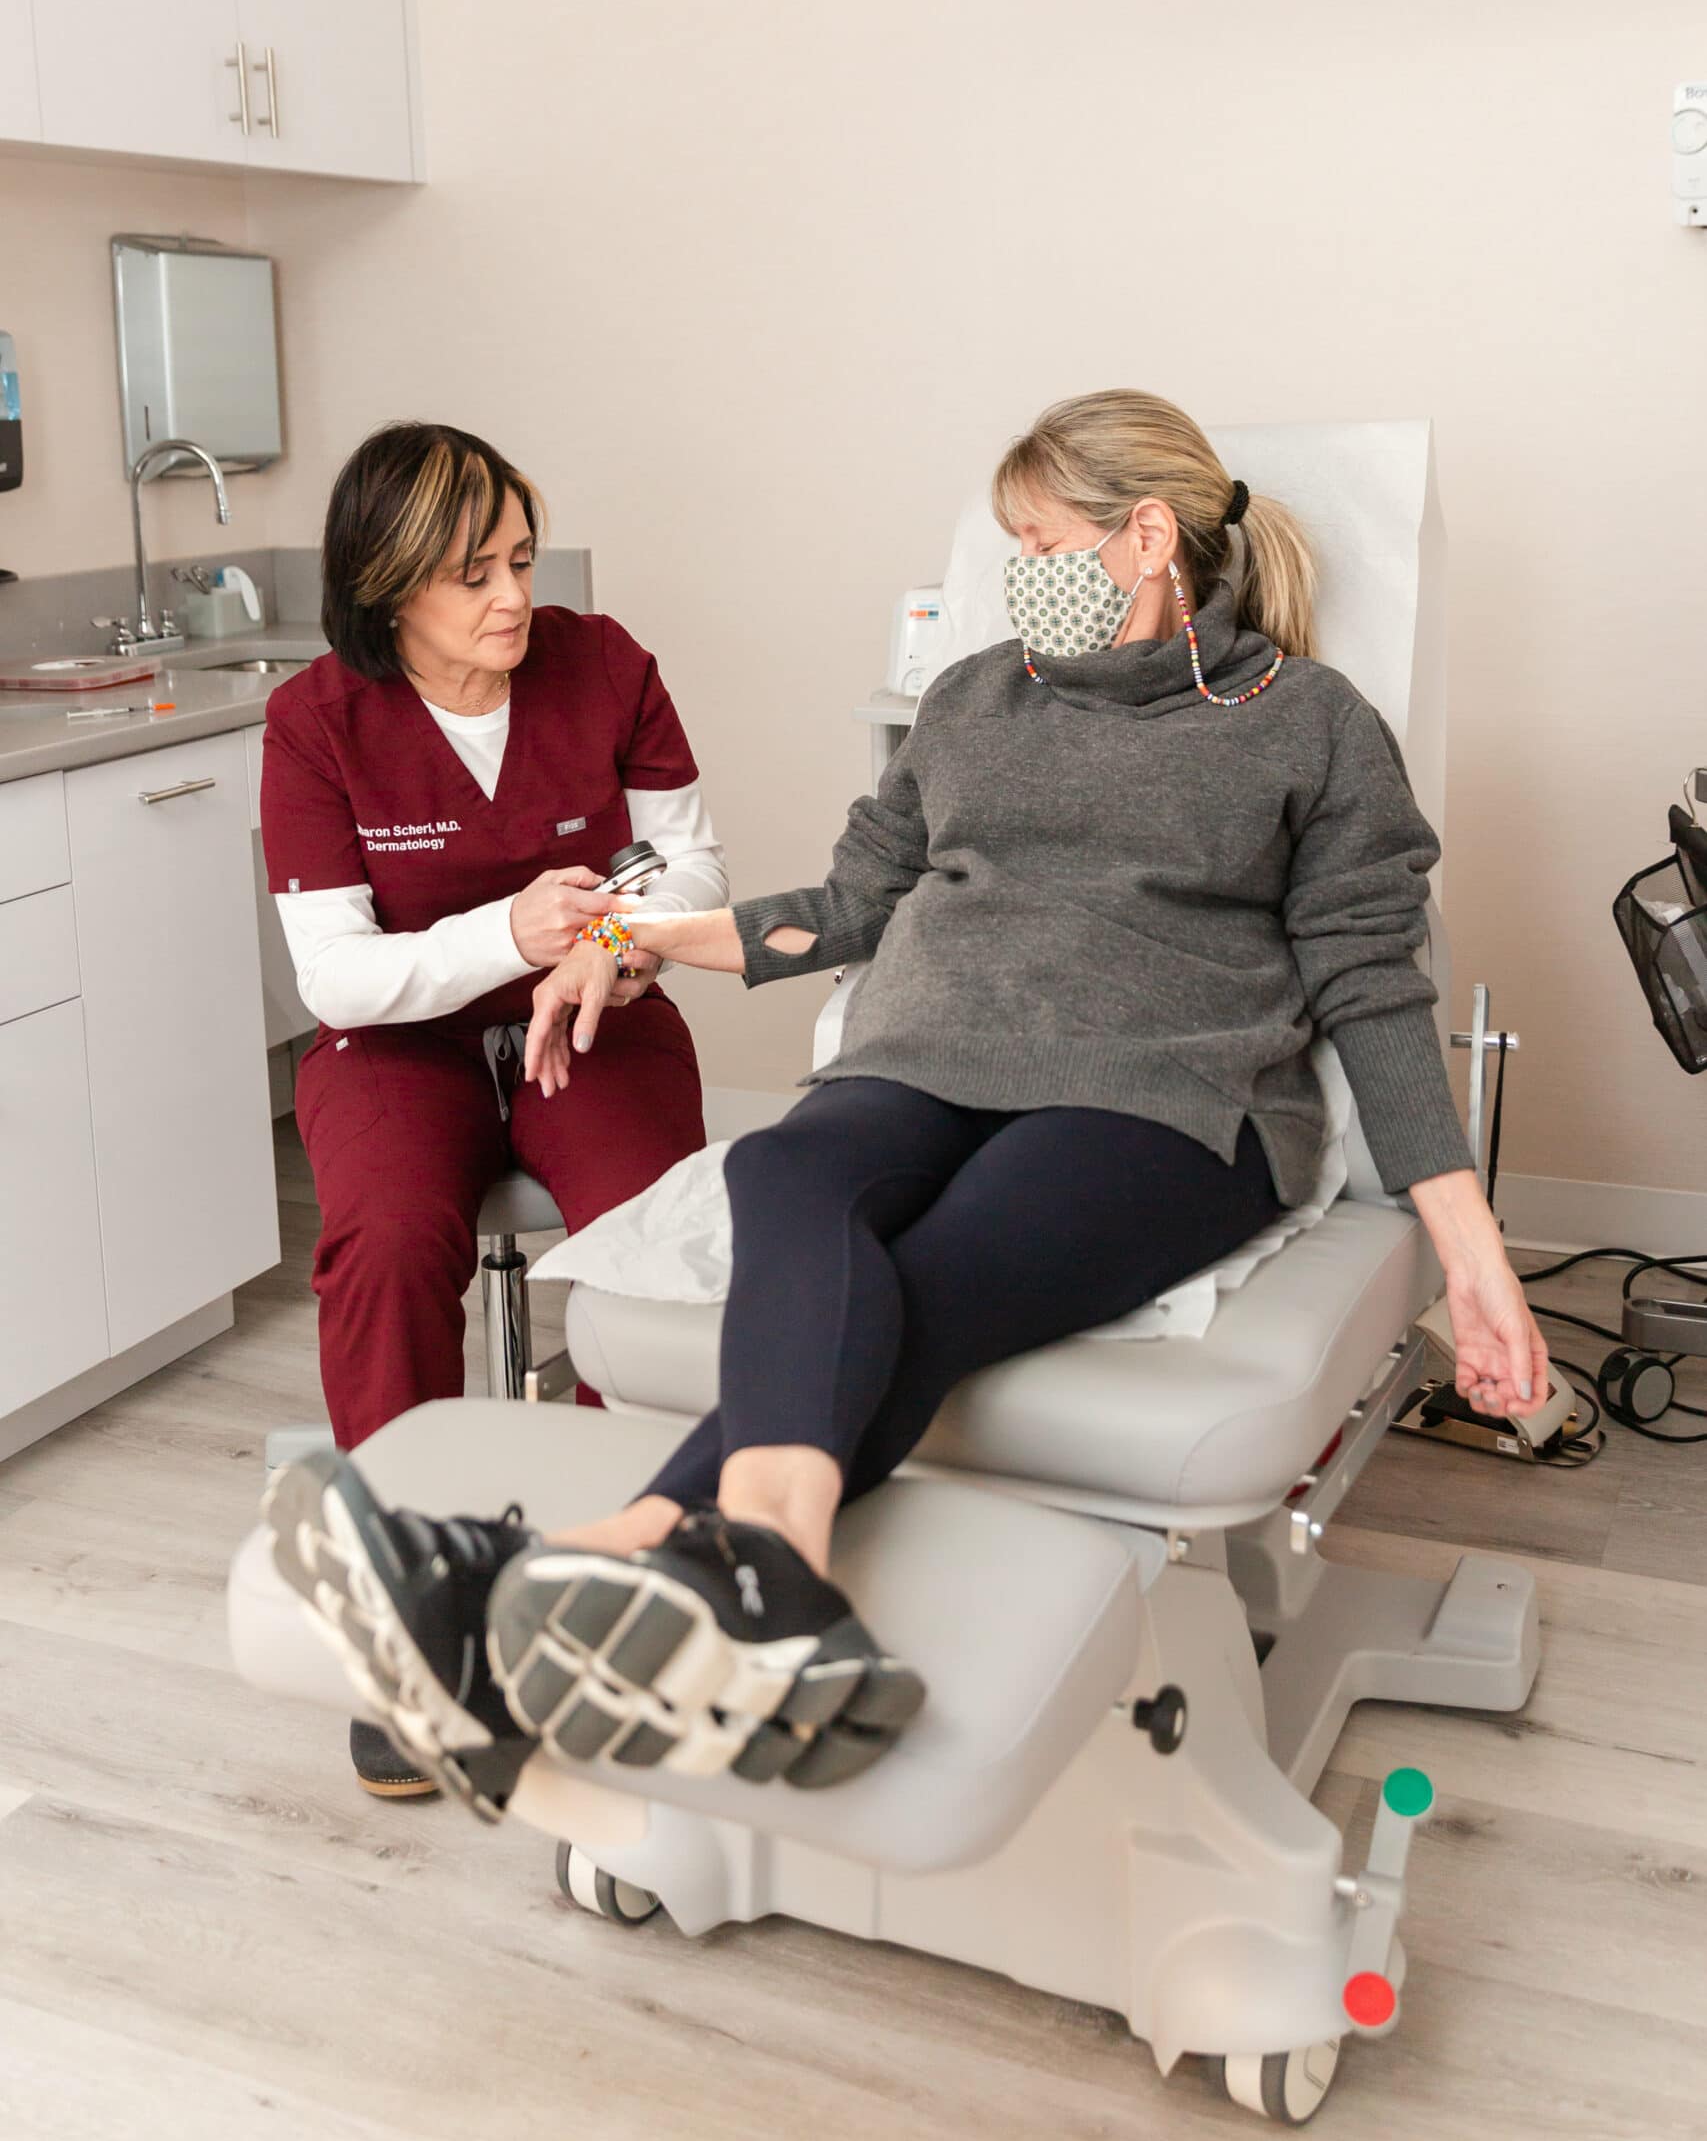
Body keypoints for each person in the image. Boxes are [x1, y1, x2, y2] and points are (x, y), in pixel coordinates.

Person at [264, 389, 1549, 1823]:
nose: (1014, 574)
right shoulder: (975, 697)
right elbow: (847, 912)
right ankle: (768, 1587)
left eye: (1040, 541)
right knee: (792, 1183)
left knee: (940, 1265)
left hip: (1160, 1091)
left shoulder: (1302, 722)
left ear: (1145, 538)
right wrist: (634, 938)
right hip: (922, 1057)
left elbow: (1373, 984)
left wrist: (1471, 1252)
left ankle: (630, 1558)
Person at [261, 420, 726, 1798]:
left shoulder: (608, 662)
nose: (513, 599)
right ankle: (410, 1603)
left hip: (596, 1013)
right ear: (389, 588)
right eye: (472, 576)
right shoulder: (316, 721)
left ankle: (618, 1568)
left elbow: (689, 863)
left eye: (521, 560)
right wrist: (510, 934)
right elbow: (336, 970)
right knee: (391, 1242)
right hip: (392, 1040)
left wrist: (611, 943)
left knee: (653, 1242)